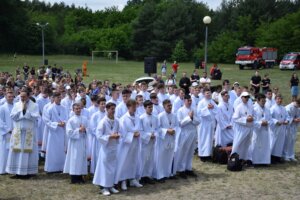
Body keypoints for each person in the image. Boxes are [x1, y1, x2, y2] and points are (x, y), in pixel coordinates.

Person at [6, 88, 39, 178]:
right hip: (18, 132)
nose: (22, 98)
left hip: (29, 133)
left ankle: (27, 172)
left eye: (24, 96)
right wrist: (21, 111)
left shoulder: (34, 105)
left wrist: (26, 111)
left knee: (26, 153)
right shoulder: (16, 104)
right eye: (21, 96)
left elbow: (35, 117)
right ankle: (17, 172)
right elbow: (12, 116)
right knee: (17, 153)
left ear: (28, 96)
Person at [93, 102, 120, 196]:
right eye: (112, 109)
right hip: (106, 147)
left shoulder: (117, 121)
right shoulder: (103, 122)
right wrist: (109, 137)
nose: (113, 111)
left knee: (113, 167)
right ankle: (104, 187)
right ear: (107, 109)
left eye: (114, 109)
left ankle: (111, 185)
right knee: (105, 167)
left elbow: (120, 131)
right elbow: (99, 135)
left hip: (114, 147)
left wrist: (118, 135)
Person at [115, 99, 143, 191]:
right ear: (128, 107)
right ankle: (123, 180)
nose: (135, 108)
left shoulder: (138, 117)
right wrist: (132, 135)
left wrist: (139, 133)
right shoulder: (123, 119)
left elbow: (141, 128)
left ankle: (132, 179)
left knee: (134, 160)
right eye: (133, 106)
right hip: (127, 144)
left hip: (136, 143)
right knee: (125, 161)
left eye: (135, 106)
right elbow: (122, 133)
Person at [63, 103, 90, 184]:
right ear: (73, 110)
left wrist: (85, 130)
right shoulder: (71, 120)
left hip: (82, 141)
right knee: (74, 160)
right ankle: (74, 178)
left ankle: (80, 176)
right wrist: (78, 130)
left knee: (81, 159)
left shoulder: (85, 119)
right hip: (74, 143)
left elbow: (89, 128)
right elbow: (69, 132)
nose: (78, 110)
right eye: (76, 109)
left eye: (79, 108)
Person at [153, 99, 178, 182]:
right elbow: (157, 128)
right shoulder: (160, 116)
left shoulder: (174, 115)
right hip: (163, 139)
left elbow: (177, 126)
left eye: (171, 105)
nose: (170, 107)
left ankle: (168, 173)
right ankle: (159, 175)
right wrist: (167, 131)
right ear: (164, 106)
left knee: (170, 156)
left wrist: (174, 130)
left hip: (171, 138)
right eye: (168, 106)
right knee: (161, 157)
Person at [174, 95, 199, 178]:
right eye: (188, 100)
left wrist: (192, 118)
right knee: (183, 151)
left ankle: (188, 168)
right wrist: (189, 117)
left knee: (191, 151)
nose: (189, 102)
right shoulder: (180, 110)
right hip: (184, 133)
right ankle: (181, 169)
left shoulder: (194, 109)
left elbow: (198, 121)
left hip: (193, 132)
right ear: (184, 101)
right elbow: (180, 123)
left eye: (190, 100)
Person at [43, 92, 68, 173]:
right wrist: (57, 124)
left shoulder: (64, 108)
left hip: (61, 131)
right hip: (53, 132)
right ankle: (51, 168)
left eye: (60, 97)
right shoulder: (49, 108)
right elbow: (46, 120)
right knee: (52, 150)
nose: (59, 99)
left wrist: (64, 122)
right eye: (57, 97)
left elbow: (67, 118)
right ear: (53, 98)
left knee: (61, 149)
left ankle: (61, 167)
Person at [231, 92, 254, 165]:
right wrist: (245, 119)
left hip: (249, 128)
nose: (246, 98)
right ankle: (233, 158)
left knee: (247, 144)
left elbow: (253, 115)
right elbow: (235, 118)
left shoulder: (250, 106)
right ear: (241, 98)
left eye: (247, 97)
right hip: (241, 129)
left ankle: (245, 159)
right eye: (245, 97)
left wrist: (252, 118)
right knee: (238, 143)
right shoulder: (239, 107)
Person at [197, 87, 218, 161]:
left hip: (210, 123)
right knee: (203, 139)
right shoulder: (201, 102)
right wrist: (207, 108)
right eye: (207, 93)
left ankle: (208, 154)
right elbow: (199, 113)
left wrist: (213, 108)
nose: (208, 94)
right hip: (203, 124)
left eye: (209, 93)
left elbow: (217, 110)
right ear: (203, 94)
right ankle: (202, 155)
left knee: (209, 139)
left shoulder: (212, 101)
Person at [251, 94, 273, 165]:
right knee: (256, 145)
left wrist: (267, 122)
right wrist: (260, 123)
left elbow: (270, 119)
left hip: (265, 130)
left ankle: (264, 161)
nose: (264, 103)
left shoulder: (267, 109)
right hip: (257, 130)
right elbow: (252, 121)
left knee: (265, 146)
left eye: (265, 101)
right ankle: (255, 161)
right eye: (262, 101)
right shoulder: (253, 109)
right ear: (257, 100)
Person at [139, 100, 158, 184]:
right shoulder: (141, 118)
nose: (151, 109)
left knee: (150, 159)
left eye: (152, 107)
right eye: (149, 107)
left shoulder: (155, 117)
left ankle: (148, 175)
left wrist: (155, 134)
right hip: (145, 142)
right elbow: (140, 131)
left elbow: (157, 129)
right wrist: (149, 135)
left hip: (152, 142)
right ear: (145, 108)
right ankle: (141, 176)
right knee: (144, 159)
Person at [269, 95, 289, 164]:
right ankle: (271, 158)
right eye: (278, 99)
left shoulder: (283, 108)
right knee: (273, 143)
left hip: (282, 128)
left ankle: (278, 157)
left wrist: (287, 120)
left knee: (280, 143)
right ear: (275, 99)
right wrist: (276, 121)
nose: (279, 100)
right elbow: (270, 118)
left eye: (280, 99)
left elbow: (287, 116)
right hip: (275, 129)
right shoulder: (272, 108)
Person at [89, 97, 106, 174]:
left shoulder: (107, 114)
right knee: (98, 155)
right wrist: (100, 135)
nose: (103, 105)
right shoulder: (95, 115)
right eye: (101, 104)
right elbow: (92, 128)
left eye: (104, 103)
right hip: (98, 139)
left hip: (106, 139)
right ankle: (96, 172)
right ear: (98, 105)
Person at [0, 92, 14, 174]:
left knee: (12, 151)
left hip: (14, 132)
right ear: (5, 97)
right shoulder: (2, 108)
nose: (11, 98)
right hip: (6, 133)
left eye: (12, 96)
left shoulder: (15, 106)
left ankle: (11, 168)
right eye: (9, 97)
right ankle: (3, 169)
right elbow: (0, 120)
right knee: (4, 151)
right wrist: (7, 129)